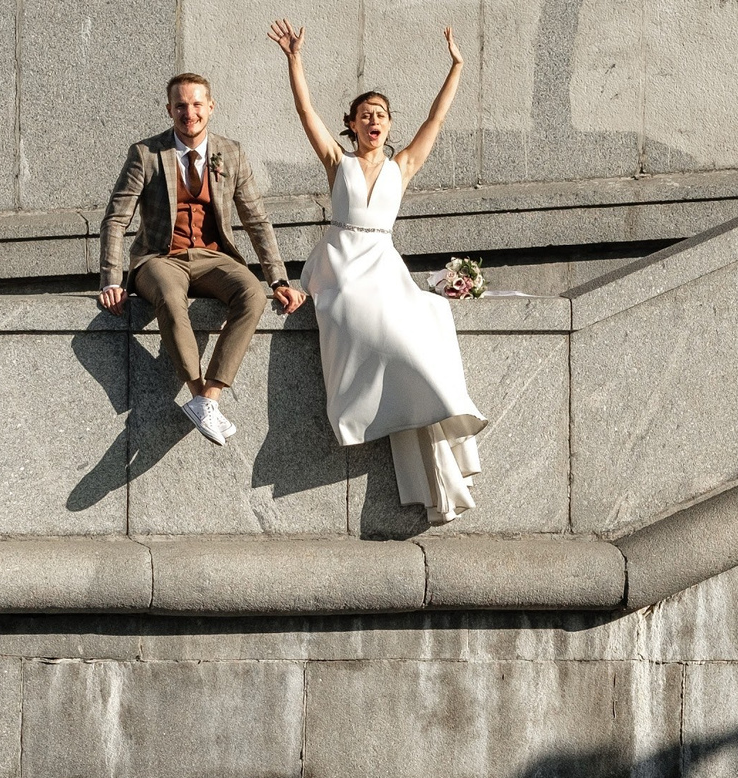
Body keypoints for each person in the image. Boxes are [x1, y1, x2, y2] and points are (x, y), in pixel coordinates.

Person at [269, 19, 488, 521]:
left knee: (420, 327)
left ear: (389, 126)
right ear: (352, 123)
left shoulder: (402, 165)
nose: (375, 121)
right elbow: (305, 111)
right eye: (366, 114)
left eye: (383, 115)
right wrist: (294, 59)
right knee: (352, 310)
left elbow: (435, 119)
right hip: (342, 260)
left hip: (383, 262)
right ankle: (360, 409)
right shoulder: (337, 162)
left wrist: (456, 66)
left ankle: (438, 412)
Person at [97, 72, 307, 446]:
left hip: (213, 257)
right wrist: (112, 280)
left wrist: (279, 280)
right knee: (171, 297)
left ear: (211, 107)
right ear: (169, 110)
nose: (188, 113)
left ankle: (209, 398)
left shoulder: (232, 152)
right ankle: (197, 393)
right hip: (160, 258)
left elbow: (256, 219)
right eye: (180, 105)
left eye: (196, 104)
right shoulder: (146, 154)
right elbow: (116, 218)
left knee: (253, 294)